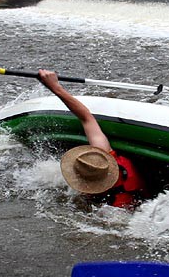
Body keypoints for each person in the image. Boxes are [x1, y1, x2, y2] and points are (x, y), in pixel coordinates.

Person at [37, 69, 148, 208]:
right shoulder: (105, 155)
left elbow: (86, 118)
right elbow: (86, 117)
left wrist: (54, 87)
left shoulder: (111, 208)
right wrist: (55, 87)